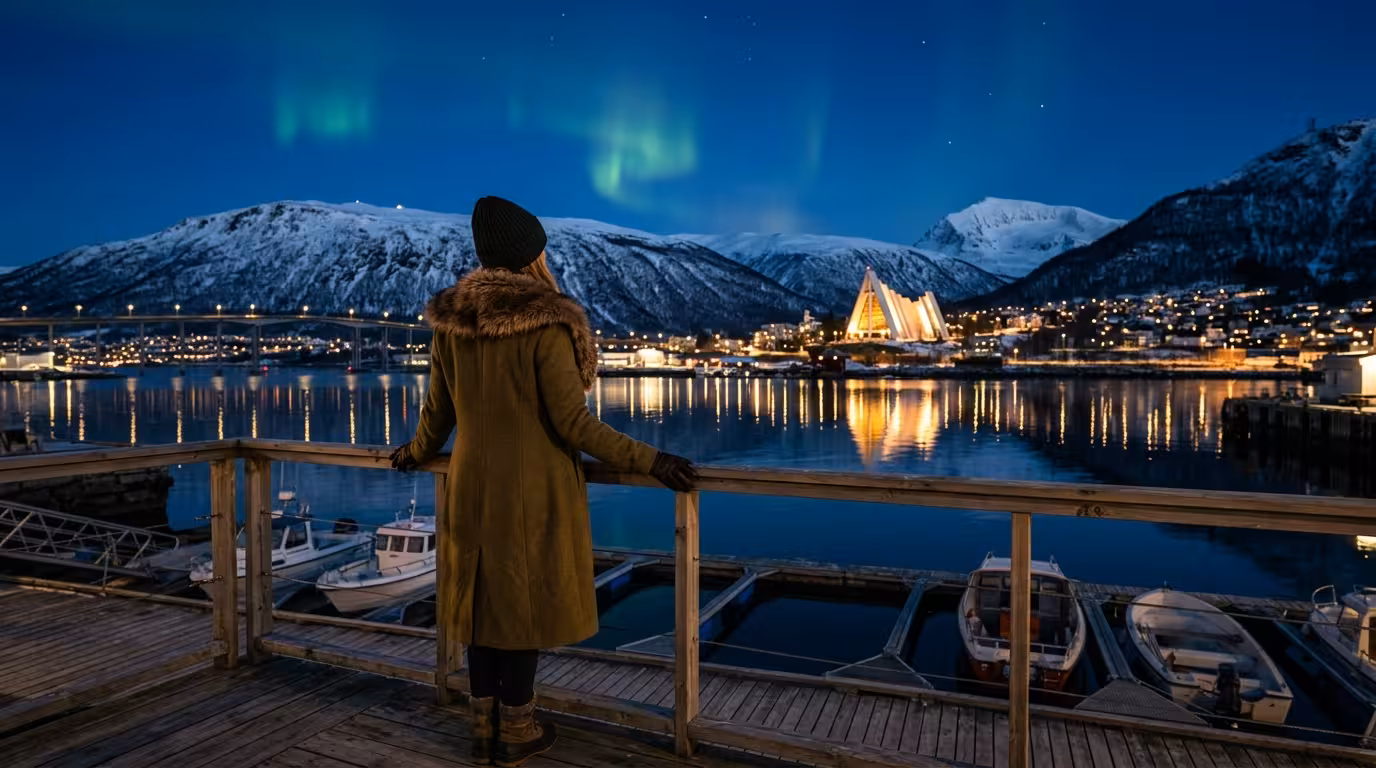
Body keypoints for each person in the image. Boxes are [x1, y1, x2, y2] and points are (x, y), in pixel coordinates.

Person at [389, 195, 698, 767]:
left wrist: (414, 453)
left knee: (481, 608)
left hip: (468, 487)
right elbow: (574, 422)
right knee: (521, 611)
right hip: (531, 493)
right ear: (532, 256)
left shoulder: (453, 325)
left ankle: (482, 729)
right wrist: (652, 459)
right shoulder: (545, 320)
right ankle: (520, 729)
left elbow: (437, 415)